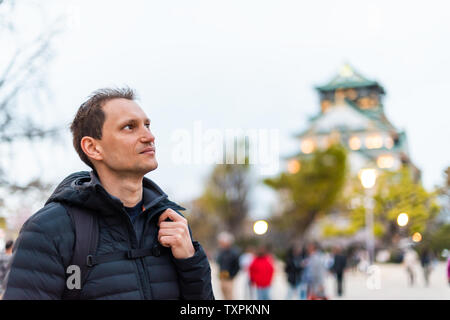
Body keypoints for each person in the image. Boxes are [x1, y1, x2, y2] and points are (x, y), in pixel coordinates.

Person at [2, 88, 214, 300]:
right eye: (129, 127)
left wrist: (190, 261)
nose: (149, 136)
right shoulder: (48, 230)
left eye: (147, 125)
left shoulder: (171, 223)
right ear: (93, 147)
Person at [216, 232, 241, 300]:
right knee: (223, 294)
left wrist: (232, 275)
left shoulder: (234, 252)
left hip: (229, 277)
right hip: (222, 276)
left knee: (229, 295)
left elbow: (237, 266)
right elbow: (219, 263)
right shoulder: (221, 252)